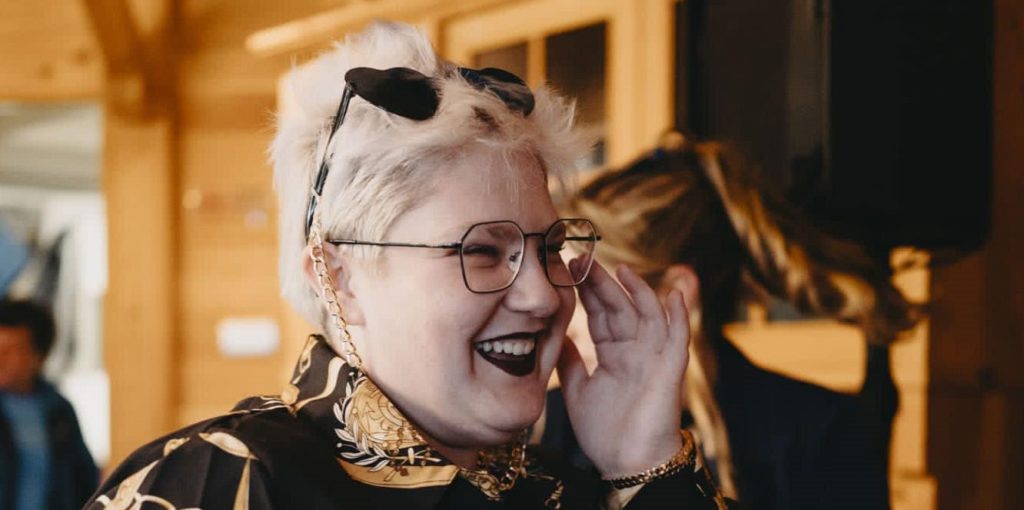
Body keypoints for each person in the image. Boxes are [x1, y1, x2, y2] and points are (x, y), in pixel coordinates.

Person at [85, 23, 732, 509]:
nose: (542, 295)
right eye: (482, 250)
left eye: (547, 248)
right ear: (340, 278)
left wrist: (643, 465)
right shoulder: (221, 481)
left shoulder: (569, 493)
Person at [542, 133, 922, 509]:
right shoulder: (553, 423)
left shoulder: (822, 433)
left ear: (675, 293)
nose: (562, 317)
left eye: (589, 291)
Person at [0, 299, 98, 510]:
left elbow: (84, 478)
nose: (1, 359)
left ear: (39, 356)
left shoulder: (59, 411)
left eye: (10, 350)